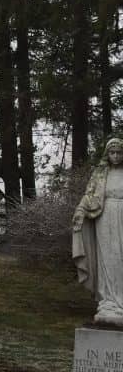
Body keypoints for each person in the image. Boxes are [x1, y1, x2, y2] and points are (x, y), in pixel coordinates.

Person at [72, 137, 123, 326]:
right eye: (112, 152)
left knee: (121, 257)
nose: (116, 156)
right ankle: (108, 301)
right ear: (107, 154)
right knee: (107, 258)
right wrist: (80, 210)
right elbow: (89, 195)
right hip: (105, 217)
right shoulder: (100, 173)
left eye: (119, 152)